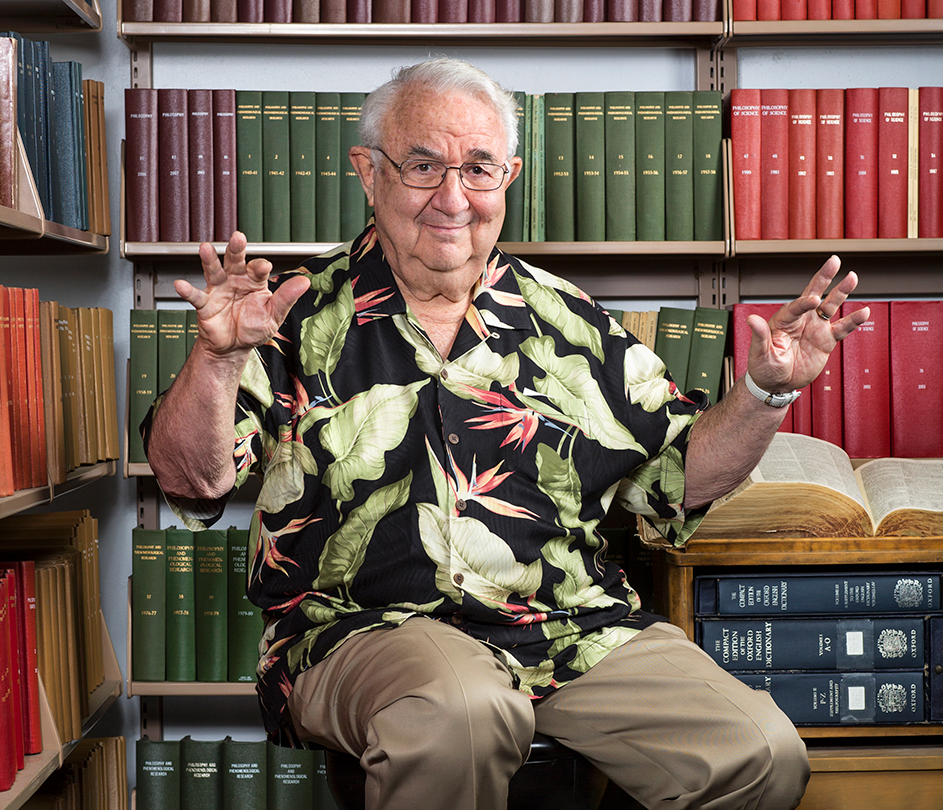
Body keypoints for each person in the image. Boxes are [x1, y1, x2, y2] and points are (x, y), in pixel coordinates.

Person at [145, 57, 869, 810]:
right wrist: (217, 357)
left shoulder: (570, 319)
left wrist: (762, 393)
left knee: (757, 751)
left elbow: (675, 482)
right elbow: (192, 481)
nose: (452, 197)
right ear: (369, 171)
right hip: (361, 633)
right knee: (458, 710)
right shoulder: (289, 313)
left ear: (509, 176)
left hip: (566, 628)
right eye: (423, 165)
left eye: (479, 169)